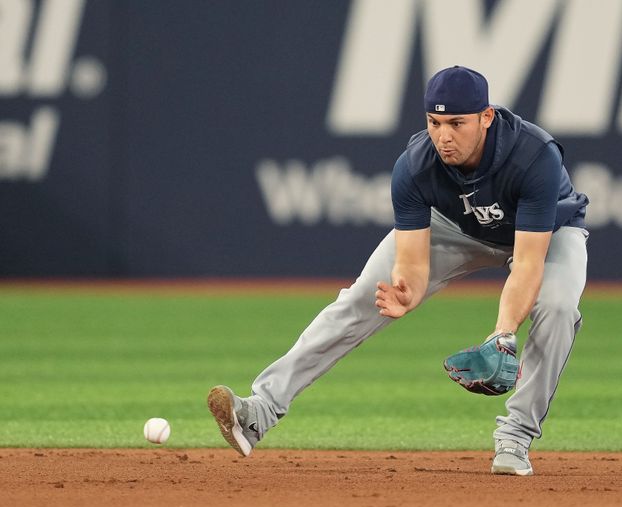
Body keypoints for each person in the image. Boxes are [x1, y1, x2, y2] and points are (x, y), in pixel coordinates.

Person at [208, 66, 589, 476]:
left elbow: (527, 263)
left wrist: (502, 334)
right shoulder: (414, 165)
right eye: (435, 122)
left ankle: (515, 435)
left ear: (486, 117)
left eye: (456, 123)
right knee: (361, 297)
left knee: (557, 307)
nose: (444, 136)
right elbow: (411, 259)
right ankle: (259, 410)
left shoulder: (533, 155)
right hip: (455, 225)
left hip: (547, 231)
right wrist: (410, 288)